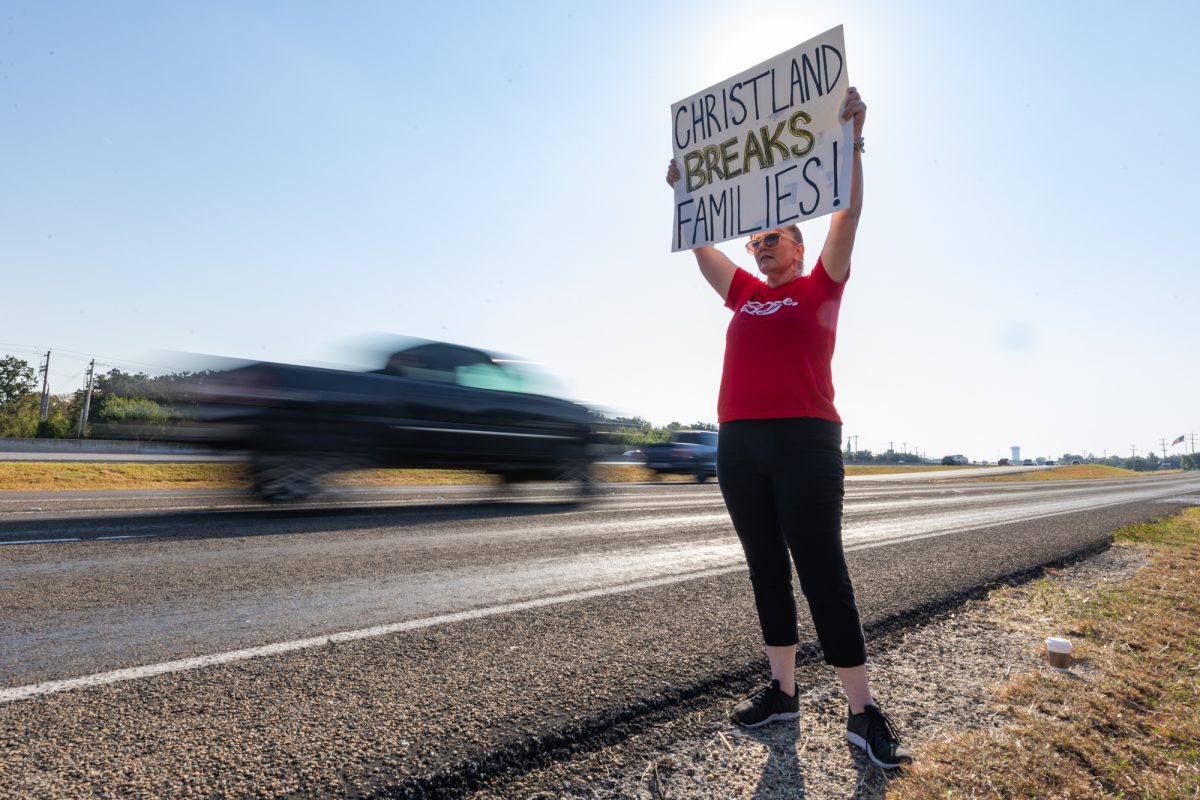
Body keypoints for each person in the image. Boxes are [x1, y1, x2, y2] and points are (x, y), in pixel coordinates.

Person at [665, 86, 912, 770]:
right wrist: (685, 194)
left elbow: (850, 212)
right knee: (765, 569)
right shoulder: (745, 293)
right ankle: (782, 693)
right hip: (740, 444)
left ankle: (863, 714)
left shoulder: (819, 284)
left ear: (799, 246)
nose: (761, 244)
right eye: (756, 239)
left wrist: (854, 139)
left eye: (773, 237)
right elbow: (700, 242)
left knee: (822, 573)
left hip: (805, 441)